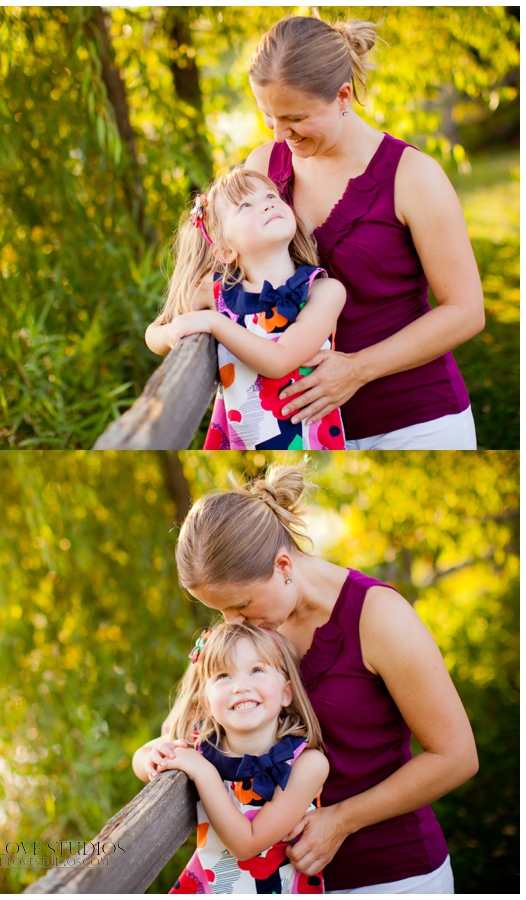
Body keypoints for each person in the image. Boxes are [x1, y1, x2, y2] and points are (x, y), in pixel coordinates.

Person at [168, 463, 479, 893]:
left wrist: (341, 820)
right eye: (219, 611)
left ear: (282, 565)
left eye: (240, 604)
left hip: (391, 877)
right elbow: (195, 727)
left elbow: (457, 755)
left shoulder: (379, 616)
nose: (231, 623)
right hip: (281, 883)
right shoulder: (248, 636)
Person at [245, 15, 485, 449]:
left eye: (295, 118)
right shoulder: (263, 168)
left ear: (343, 95)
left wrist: (356, 369)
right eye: (268, 115)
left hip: (416, 423)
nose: (280, 133)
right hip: (300, 432)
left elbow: (466, 310)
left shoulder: (413, 176)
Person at [145, 167, 347, 449]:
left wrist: (212, 322)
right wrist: (171, 335)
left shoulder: (323, 291)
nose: (268, 204)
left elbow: (280, 361)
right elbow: (154, 333)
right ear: (226, 250)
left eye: (270, 196)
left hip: (307, 442)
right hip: (237, 443)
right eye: (246, 206)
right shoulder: (214, 292)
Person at [133, 622, 329, 894]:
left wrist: (202, 772)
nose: (240, 687)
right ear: (206, 703)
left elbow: (247, 844)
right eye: (224, 676)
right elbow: (141, 756)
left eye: (257, 670)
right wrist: (152, 758)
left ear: (286, 693)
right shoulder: (201, 744)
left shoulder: (307, 765)